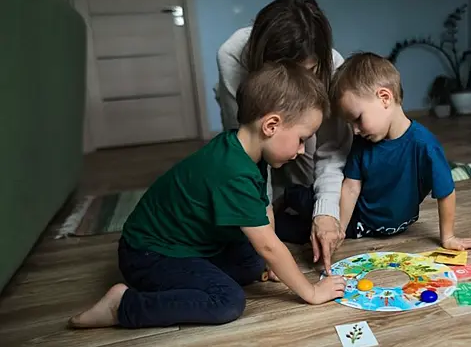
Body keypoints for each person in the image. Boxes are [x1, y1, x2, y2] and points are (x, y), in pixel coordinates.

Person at [67, 61, 347, 329]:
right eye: (301, 139)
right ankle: (124, 306)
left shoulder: (244, 149)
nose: (301, 151)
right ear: (271, 125)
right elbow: (269, 245)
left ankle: (191, 278)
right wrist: (310, 291)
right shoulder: (232, 171)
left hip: (187, 245)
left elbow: (264, 212)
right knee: (227, 301)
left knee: (253, 262)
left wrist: (270, 263)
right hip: (149, 255)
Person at [216, 0, 351, 274]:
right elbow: (247, 153)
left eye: (310, 71)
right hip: (252, 149)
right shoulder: (232, 56)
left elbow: (331, 148)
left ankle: (288, 199)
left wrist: (326, 211)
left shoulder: (332, 66)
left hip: (305, 153)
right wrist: (267, 234)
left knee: (318, 201)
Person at [314, 51, 471, 251]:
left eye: (358, 118)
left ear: (385, 98)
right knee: (303, 215)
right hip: (360, 223)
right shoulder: (362, 143)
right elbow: (351, 187)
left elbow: (445, 191)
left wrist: (448, 237)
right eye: (350, 123)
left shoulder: (425, 145)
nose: (355, 130)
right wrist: (339, 230)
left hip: (393, 225)